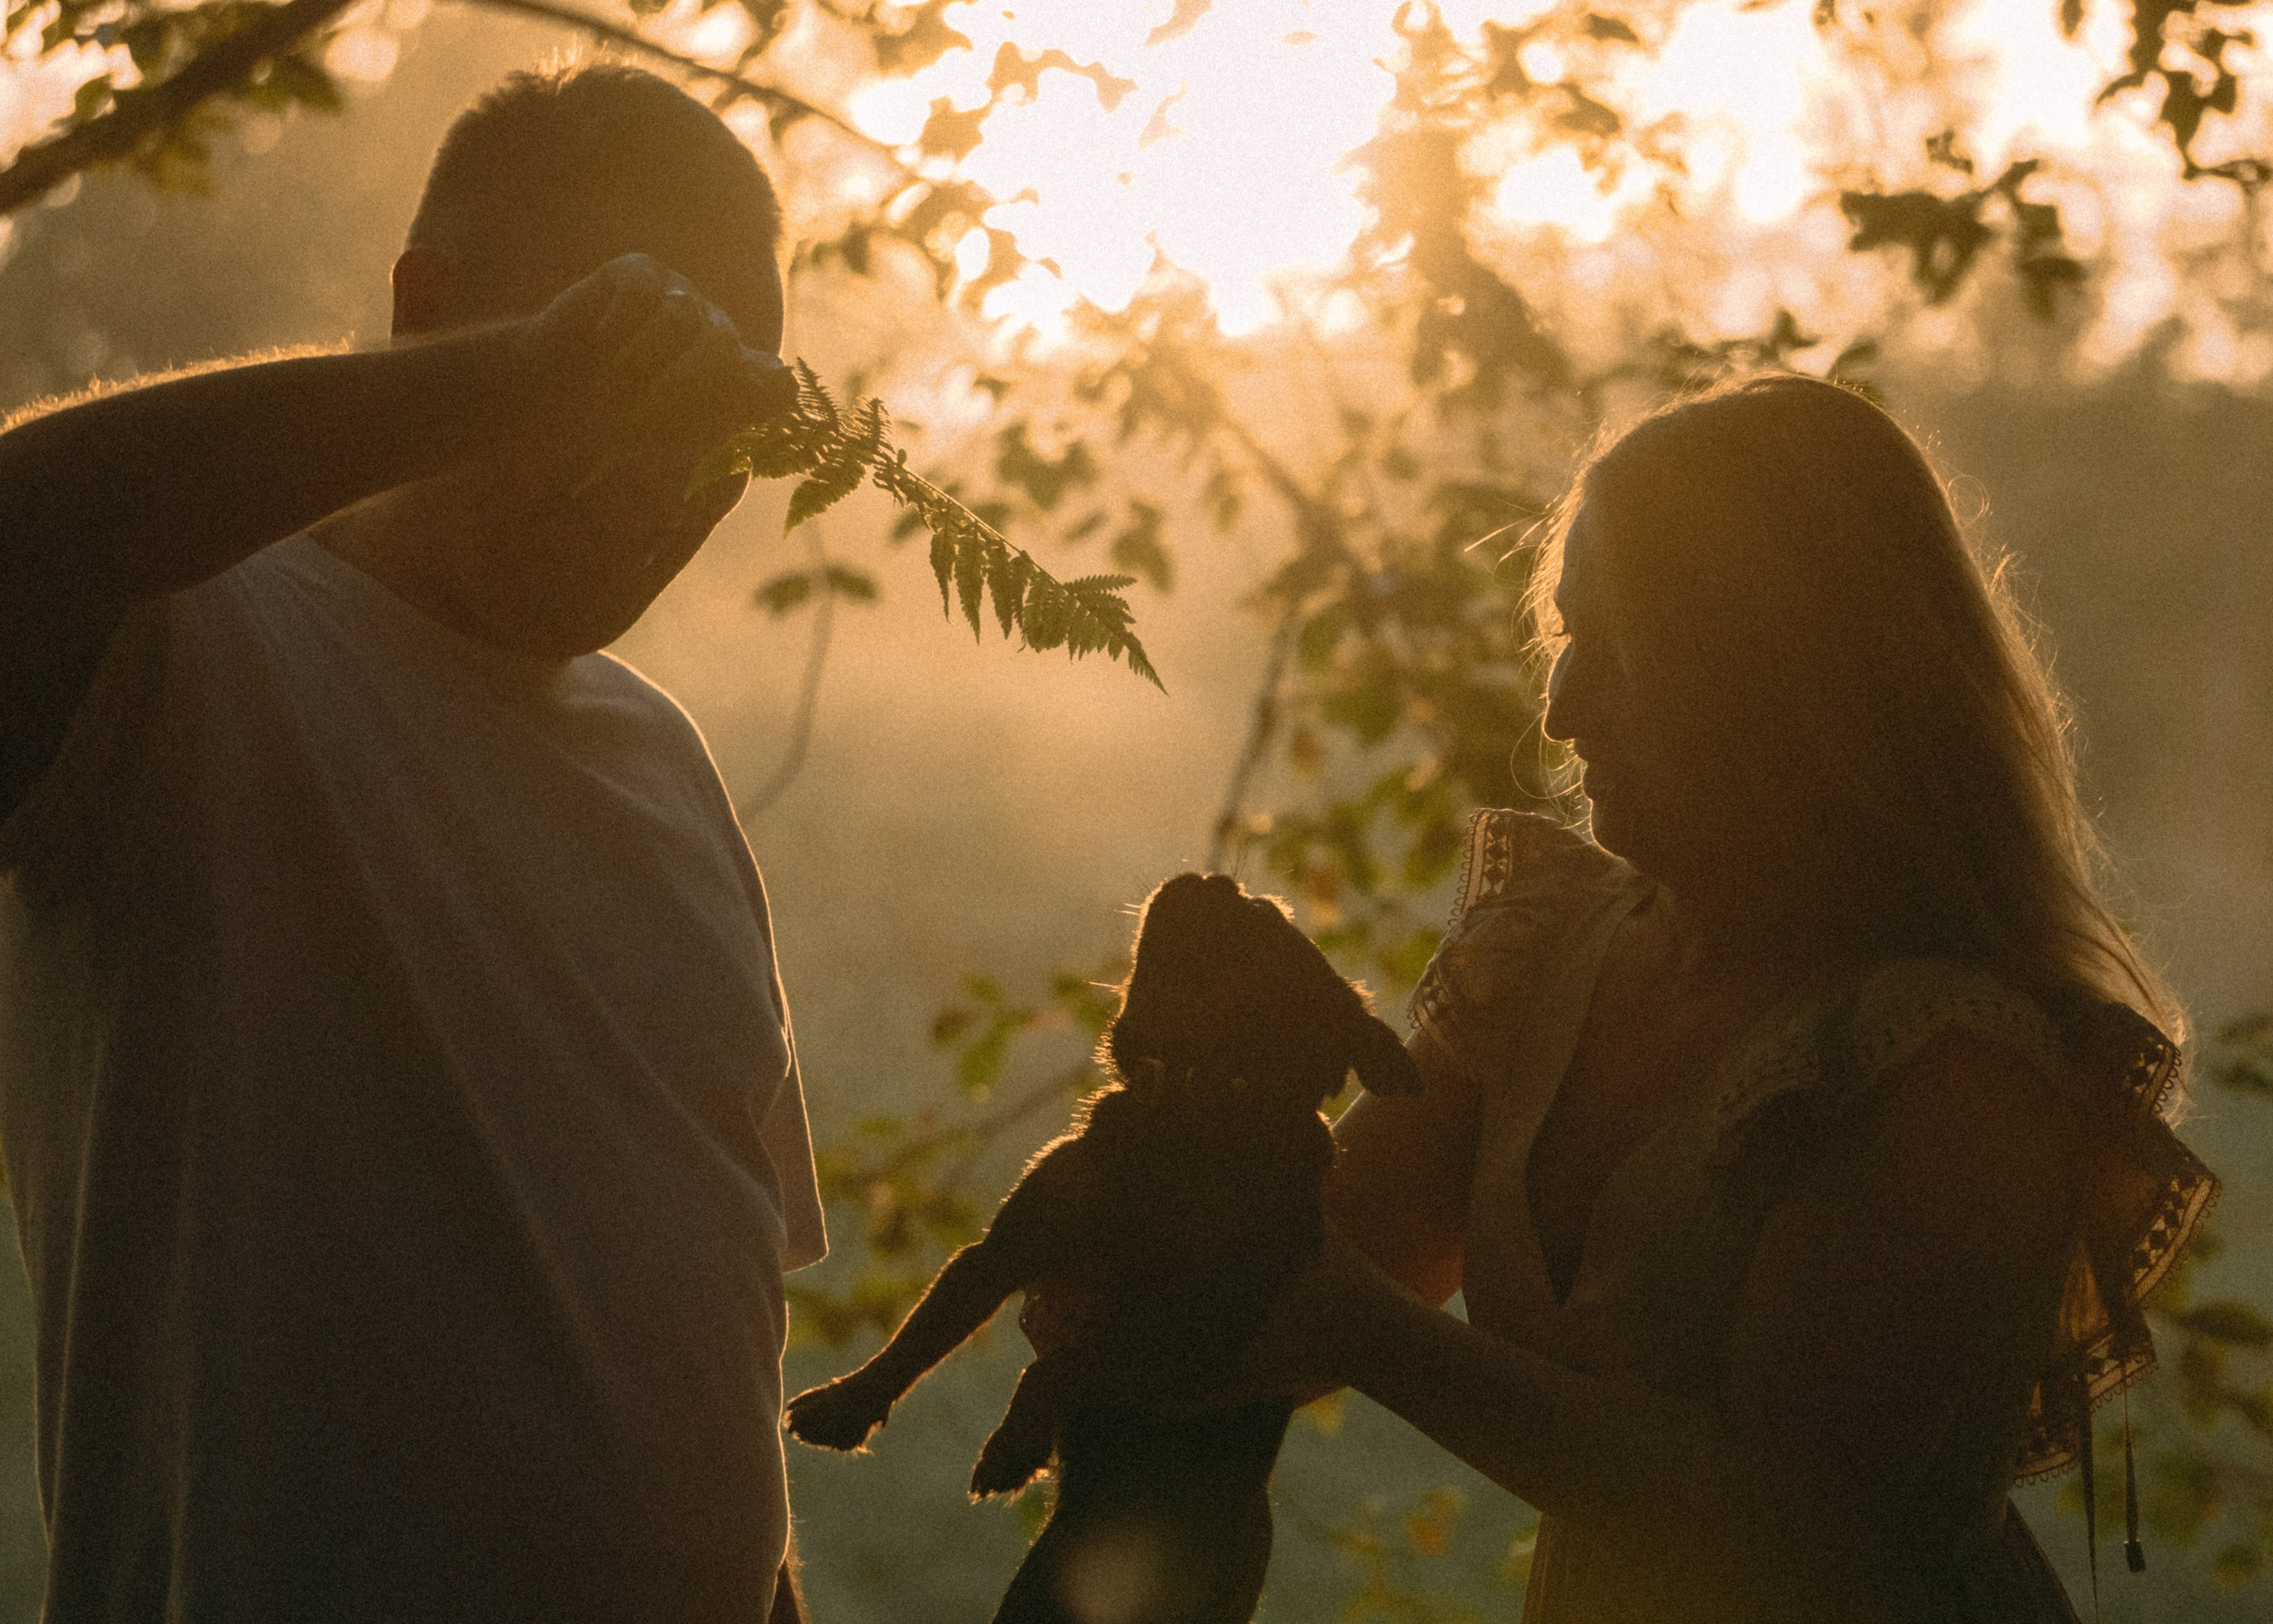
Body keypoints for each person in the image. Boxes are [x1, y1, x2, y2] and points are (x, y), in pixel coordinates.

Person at [0, 66, 826, 1623]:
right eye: (622, 392)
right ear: (429, 313)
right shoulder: (177, 652)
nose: (669, 485)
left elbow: (708, 1382)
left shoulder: (667, 766)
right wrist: (514, 380)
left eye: (721, 417)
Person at [1239, 376, 2216, 1620]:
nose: (1561, 706)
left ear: (1780, 676)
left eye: (1623, 651)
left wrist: (1365, 1335)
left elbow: (1781, 1519)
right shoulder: (1557, 947)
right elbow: (1324, 1233)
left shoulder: (1948, 1066)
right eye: (1566, 636)